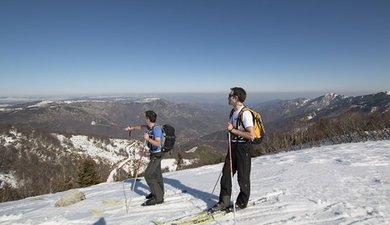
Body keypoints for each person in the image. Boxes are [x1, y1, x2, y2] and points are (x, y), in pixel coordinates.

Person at [211, 87, 255, 211]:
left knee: (243, 177)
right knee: (226, 175)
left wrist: (232, 130)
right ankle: (224, 201)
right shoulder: (233, 112)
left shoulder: (245, 113)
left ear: (236, 98)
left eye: (230, 95)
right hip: (233, 146)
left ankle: (242, 202)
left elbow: (251, 135)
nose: (228, 97)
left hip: (243, 148)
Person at [124, 110, 165, 206]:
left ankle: (158, 198)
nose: (145, 119)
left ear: (148, 119)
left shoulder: (156, 129)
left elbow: (158, 143)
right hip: (155, 154)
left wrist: (148, 139)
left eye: (146, 117)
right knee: (157, 174)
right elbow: (141, 127)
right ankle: (159, 192)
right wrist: (131, 128)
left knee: (148, 175)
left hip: (157, 154)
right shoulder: (150, 127)